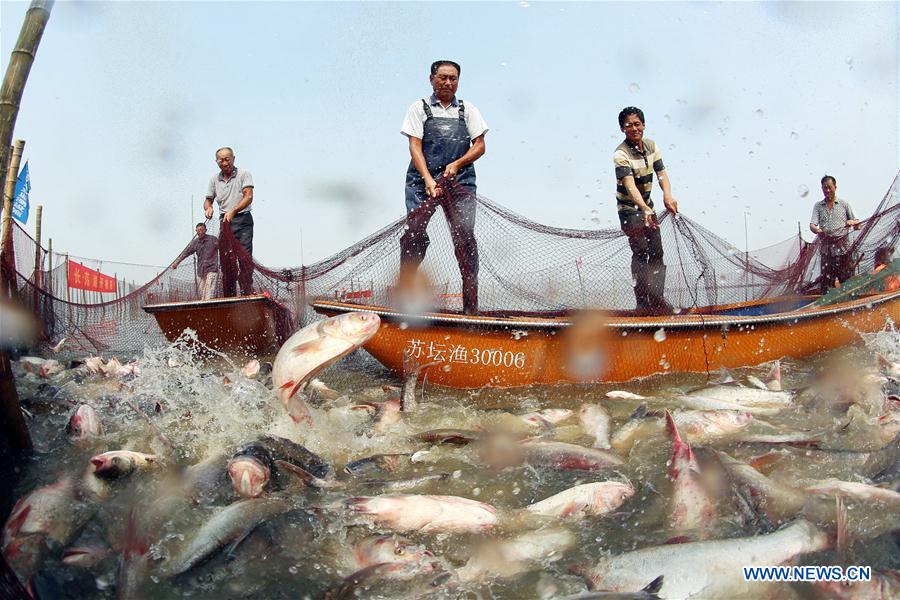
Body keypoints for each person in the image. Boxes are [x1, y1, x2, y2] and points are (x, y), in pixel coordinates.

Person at [398, 60, 488, 315]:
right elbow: (415, 145)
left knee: (465, 239)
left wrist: (458, 163)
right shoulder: (419, 108)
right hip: (421, 180)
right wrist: (428, 178)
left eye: (453, 78)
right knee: (414, 233)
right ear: (431, 79)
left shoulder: (467, 109)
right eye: (443, 78)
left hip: (459, 180)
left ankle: (471, 309)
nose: (448, 83)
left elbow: (480, 145)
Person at [613, 107, 678, 314]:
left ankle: (657, 300)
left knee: (657, 251)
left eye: (637, 124)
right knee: (640, 251)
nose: (634, 128)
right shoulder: (620, 154)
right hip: (629, 210)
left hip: (648, 208)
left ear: (643, 125)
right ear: (622, 128)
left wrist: (667, 195)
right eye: (629, 125)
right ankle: (642, 302)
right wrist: (643, 208)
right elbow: (630, 185)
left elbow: (662, 174)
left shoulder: (651, 146)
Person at [204, 147, 254, 296]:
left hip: (243, 220)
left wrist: (233, 211)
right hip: (225, 223)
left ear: (233, 158)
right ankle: (229, 296)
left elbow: (248, 196)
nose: (224, 163)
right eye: (221, 160)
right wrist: (209, 208)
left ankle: (246, 292)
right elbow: (207, 200)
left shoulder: (244, 174)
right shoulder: (214, 179)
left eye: (227, 159)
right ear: (216, 162)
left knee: (244, 259)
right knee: (227, 263)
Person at [809, 175, 860, 292]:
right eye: (824, 188)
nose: (827, 190)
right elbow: (812, 225)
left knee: (847, 285)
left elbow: (858, 225)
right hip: (826, 252)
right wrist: (817, 230)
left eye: (829, 187)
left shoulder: (844, 204)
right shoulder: (818, 206)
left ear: (835, 187)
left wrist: (852, 222)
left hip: (843, 252)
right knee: (827, 287)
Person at [172, 223, 219, 300]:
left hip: (212, 269)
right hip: (201, 272)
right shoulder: (195, 242)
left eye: (201, 230)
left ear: (205, 230)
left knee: (209, 294)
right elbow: (185, 253)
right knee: (202, 295)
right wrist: (177, 263)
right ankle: (204, 310)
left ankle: (209, 309)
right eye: (198, 230)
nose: (200, 232)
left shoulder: (213, 239)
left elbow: (223, 247)